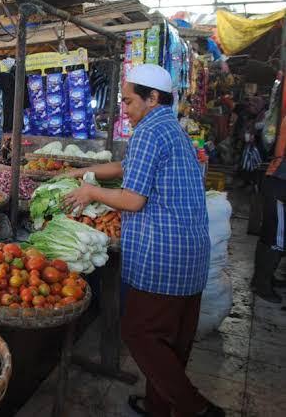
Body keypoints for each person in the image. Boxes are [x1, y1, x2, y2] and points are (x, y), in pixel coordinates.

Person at [64, 64, 223, 417]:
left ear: (152, 98)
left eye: (129, 100)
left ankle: (195, 409)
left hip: (164, 255)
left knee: (140, 333)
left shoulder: (150, 132)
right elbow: (126, 167)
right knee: (172, 341)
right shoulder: (168, 127)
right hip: (190, 252)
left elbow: (133, 199)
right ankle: (158, 407)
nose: (124, 108)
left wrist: (90, 191)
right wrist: (81, 172)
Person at [252, 82, 286, 303]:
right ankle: (262, 284)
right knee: (276, 236)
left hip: (278, 181)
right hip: (279, 182)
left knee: (272, 233)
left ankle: (265, 278)